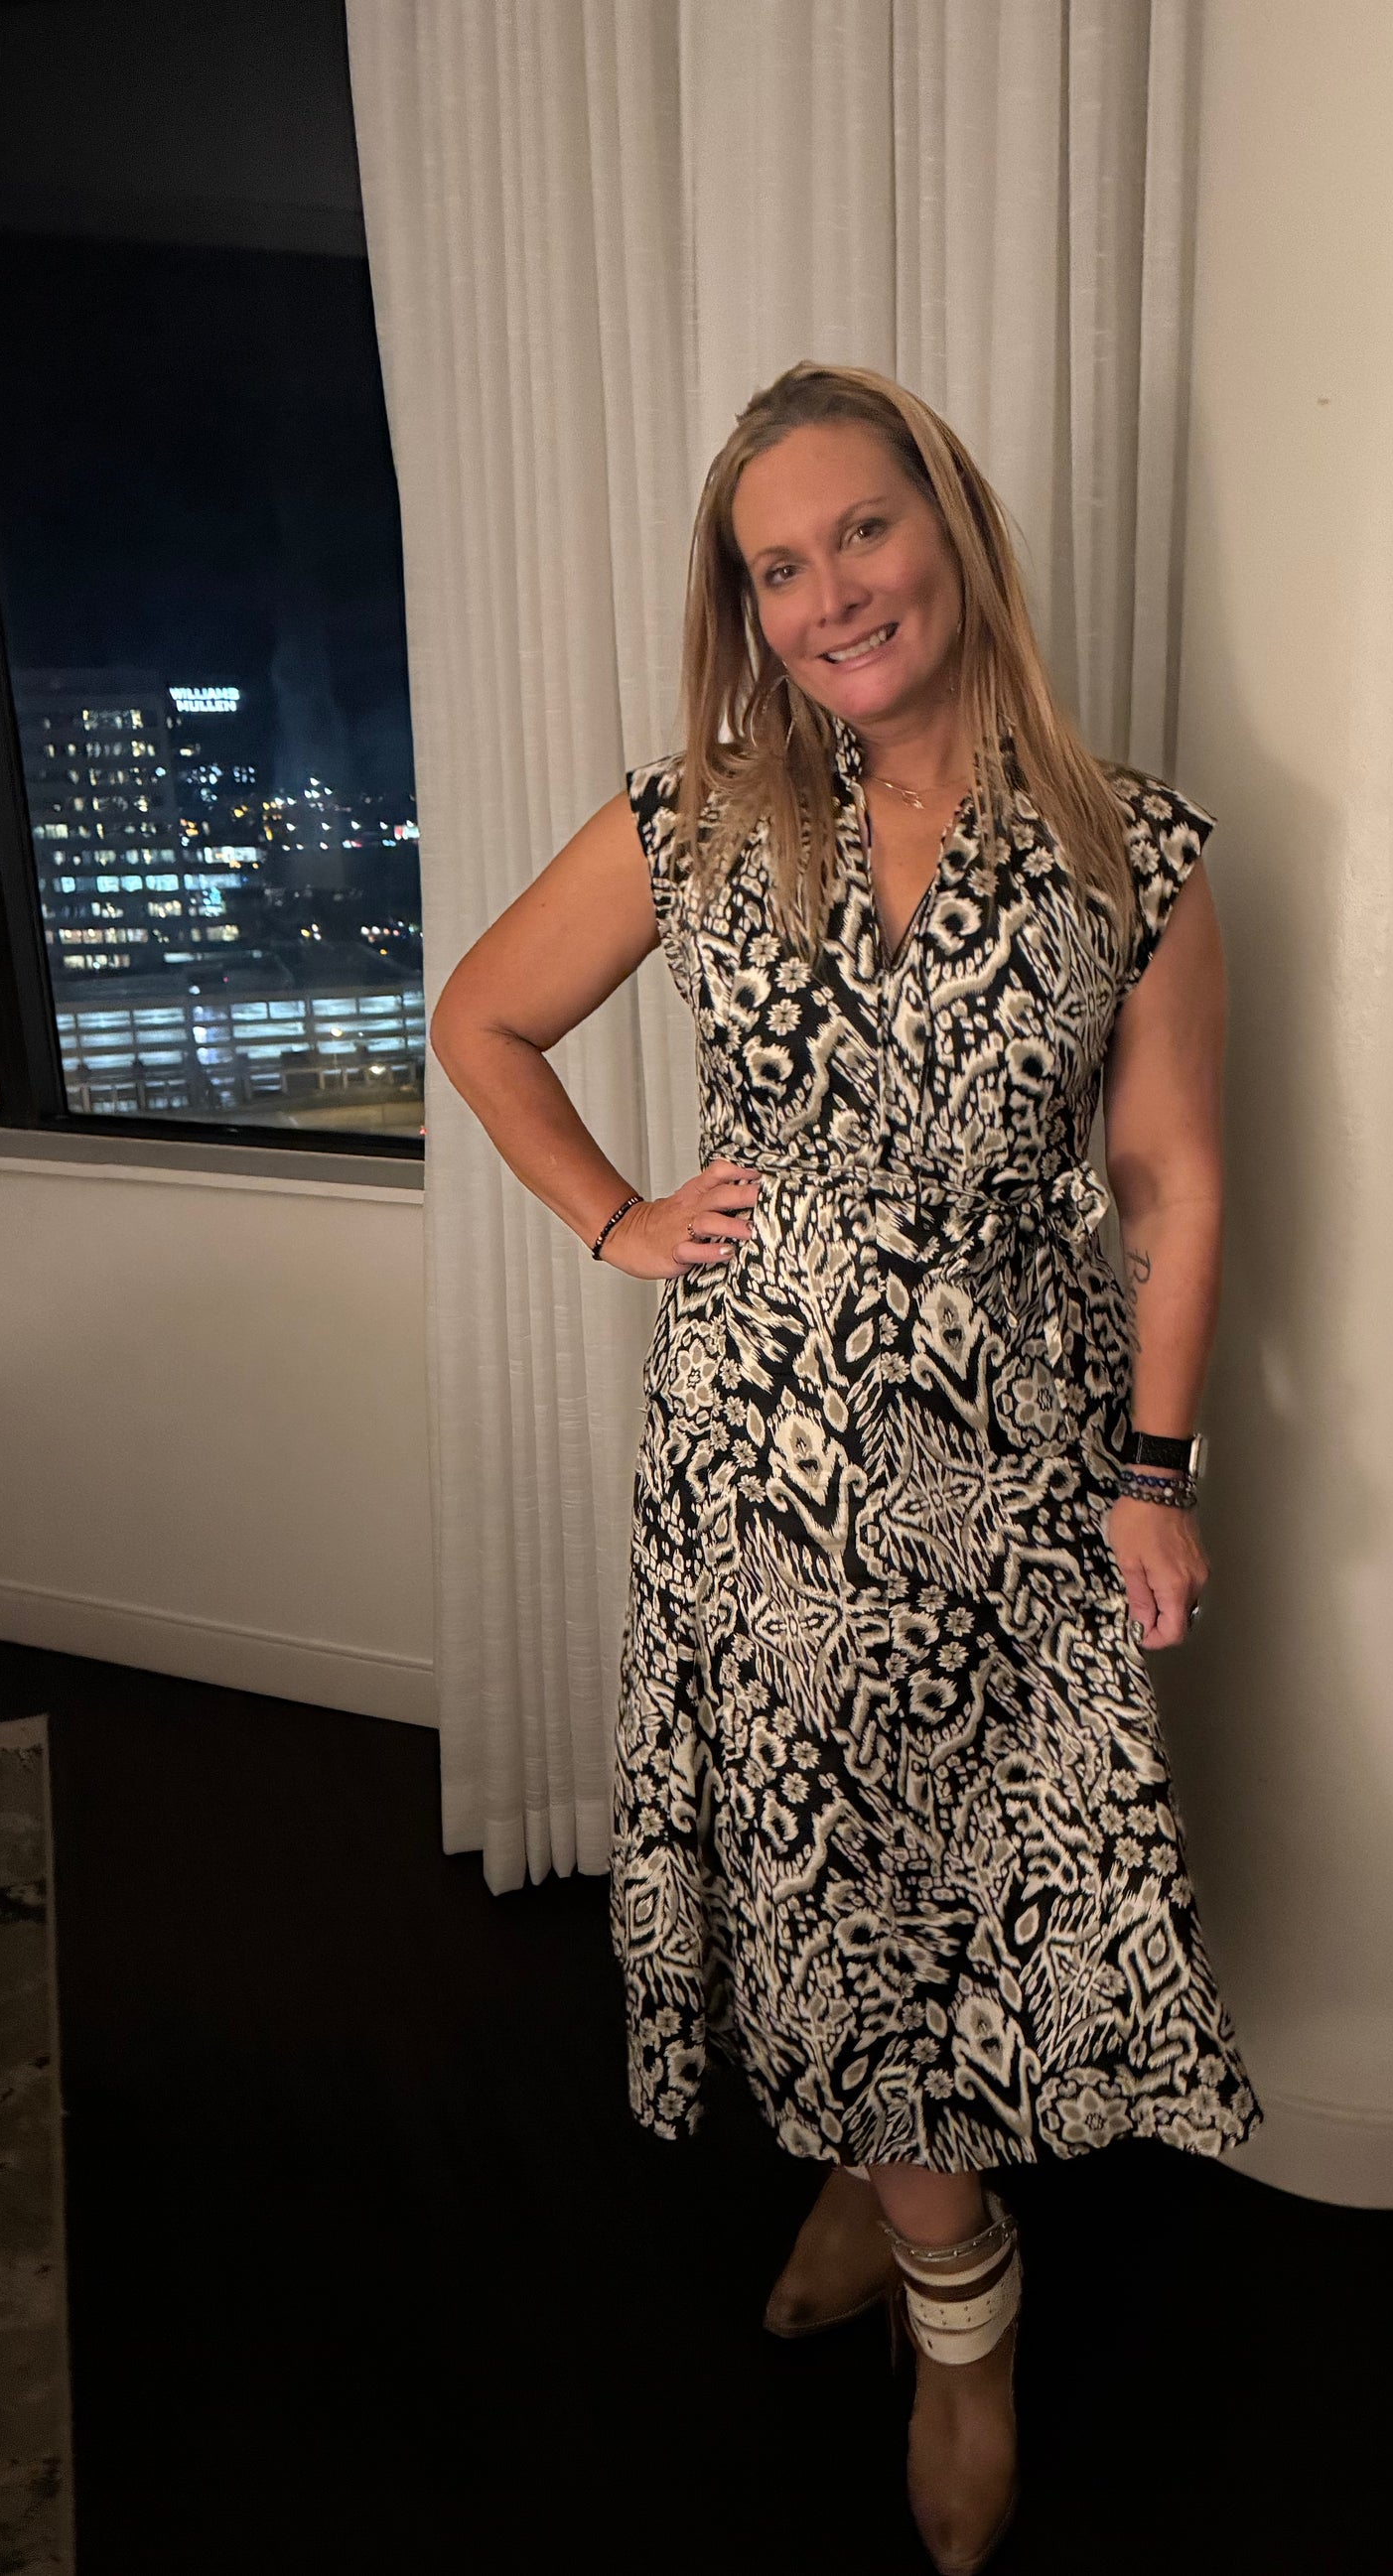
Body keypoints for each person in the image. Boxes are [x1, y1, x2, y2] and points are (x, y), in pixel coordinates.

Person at [430, 360, 1259, 2576]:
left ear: (948, 527)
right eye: (776, 567)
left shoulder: (1134, 846)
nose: (828, 595)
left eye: (860, 533)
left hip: (1011, 1451)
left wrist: (1156, 1467)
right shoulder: (698, 820)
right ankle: (958, 2301)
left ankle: (896, 2207)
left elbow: (1170, 1180)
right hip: (764, 1458)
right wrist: (616, 1215)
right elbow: (480, 1017)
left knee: (969, 1874)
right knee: (818, 1889)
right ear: (748, 608)